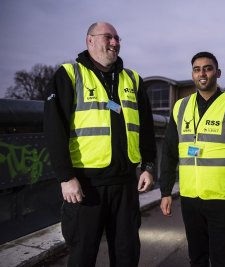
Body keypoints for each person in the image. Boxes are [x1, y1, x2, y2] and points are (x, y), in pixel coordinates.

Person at [44, 22, 156, 267]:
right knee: (83, 255)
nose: (114, 43)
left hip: (126, 185)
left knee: (127, 255)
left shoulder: (133, 80)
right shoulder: (69, 74)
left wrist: (148, 166)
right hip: (86, 187)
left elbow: (146, 127)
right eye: (108, 37)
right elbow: (54, 130)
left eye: (117, 38)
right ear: (90, 40)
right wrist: (65, 177)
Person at [160, 51, 225, 267]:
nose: (202, 73)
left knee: (222, 259)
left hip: (222, 198)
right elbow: (168, 151)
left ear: (218, 73)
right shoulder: (180, 107)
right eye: (197, 69)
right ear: (193, 74)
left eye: (207, 68)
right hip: (190, 197)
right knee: (196, 258)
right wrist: (166, 191)